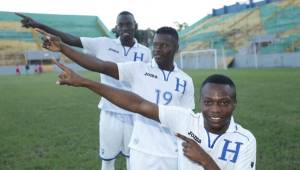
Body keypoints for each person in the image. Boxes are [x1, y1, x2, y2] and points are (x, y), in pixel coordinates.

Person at [53, 60, 256, 170]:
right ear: (200, 102)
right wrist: (85, 82)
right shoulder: (186, 120)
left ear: (234, 103)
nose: (215, 110)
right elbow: (138, 104)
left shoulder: (245, 141)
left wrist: (204, 160)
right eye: (208, 102)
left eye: (224, 103)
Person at [39, 26, 195, 170]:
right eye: (155, 45)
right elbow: (101, 66)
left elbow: (186, 121)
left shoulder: (185, 81)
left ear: (176, 48)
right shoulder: (139, 68)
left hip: (172, 153)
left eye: (164, 46)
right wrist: (63, 48)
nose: (158, 50)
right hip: (142, 150)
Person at [16, 11, 152, 170]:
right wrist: (38, 24)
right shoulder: (103, 43)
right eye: (121, 25)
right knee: (107, 160)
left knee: (134, 160)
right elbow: (72, 39)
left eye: (128, 24)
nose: (125, 28)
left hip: (135, 113)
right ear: (116, 28)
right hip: (110, 112)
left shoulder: (145, 52)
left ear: (135, 26)